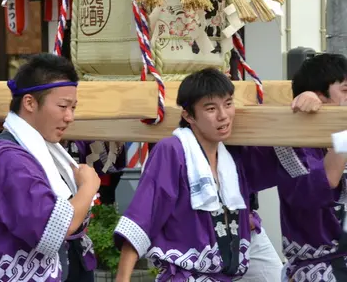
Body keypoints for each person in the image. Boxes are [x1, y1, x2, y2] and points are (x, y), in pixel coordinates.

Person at [113, 67, 346, 281]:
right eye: (211, 108)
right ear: (188, 116)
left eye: (228, 104)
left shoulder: (234, 159)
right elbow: (142, 218)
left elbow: (293, 164)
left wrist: (302, 110)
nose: (223, 116)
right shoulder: (172, 150)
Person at [0, 53, 101, 281]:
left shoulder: (38, 150)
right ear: (29, 102)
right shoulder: (9, 158)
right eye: (63, 106)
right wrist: (88, 186)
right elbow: (52, 228)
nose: (69, 117)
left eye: (73, 107)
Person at [277, 53, 347, 281]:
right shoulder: (292, 142)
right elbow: (325, 183)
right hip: (319, 270)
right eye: (345, 91)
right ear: (319, 96)